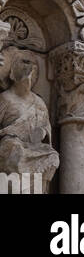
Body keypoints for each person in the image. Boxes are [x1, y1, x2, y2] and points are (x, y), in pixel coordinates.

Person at [0, 54, 60, 189]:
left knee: (52, 156)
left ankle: (37, 188)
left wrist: (43, 132)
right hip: (11, 144)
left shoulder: (39, 102)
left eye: (32, 73)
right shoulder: (5, 98)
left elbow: (46, 126)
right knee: (16, 150)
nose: (29, 76)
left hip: (32, 145)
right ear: (13, 73)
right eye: (24, 66)